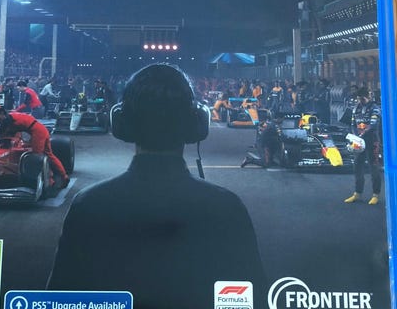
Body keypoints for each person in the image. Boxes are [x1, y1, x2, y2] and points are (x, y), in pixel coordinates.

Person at [47, 64, 267, 308]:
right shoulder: (227, 208)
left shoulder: (89, 206)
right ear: (195, 124)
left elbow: (60, 299)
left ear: (123, 123)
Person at [0, 108, 69, 187]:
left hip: (37, 132)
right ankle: (64, 176)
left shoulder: (8, 120)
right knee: (49, 155)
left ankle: (49, 180)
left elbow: (3, 131)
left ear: (2, 114)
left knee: (37, 158)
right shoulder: (12, 117)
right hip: (41, 130)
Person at [344, 87, 382, 205]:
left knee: (374, 167)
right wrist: (356, 136)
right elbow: (352, 124)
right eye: (359, 99)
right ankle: (357, 193)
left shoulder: (375, 108)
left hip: (372, 141)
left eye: (363, 99)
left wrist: (362, 134)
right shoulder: (356, 108)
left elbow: (373, 124)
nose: (361, 101)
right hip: (359, 141)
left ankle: (375, 194)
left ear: (368, 97)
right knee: (357, 166)